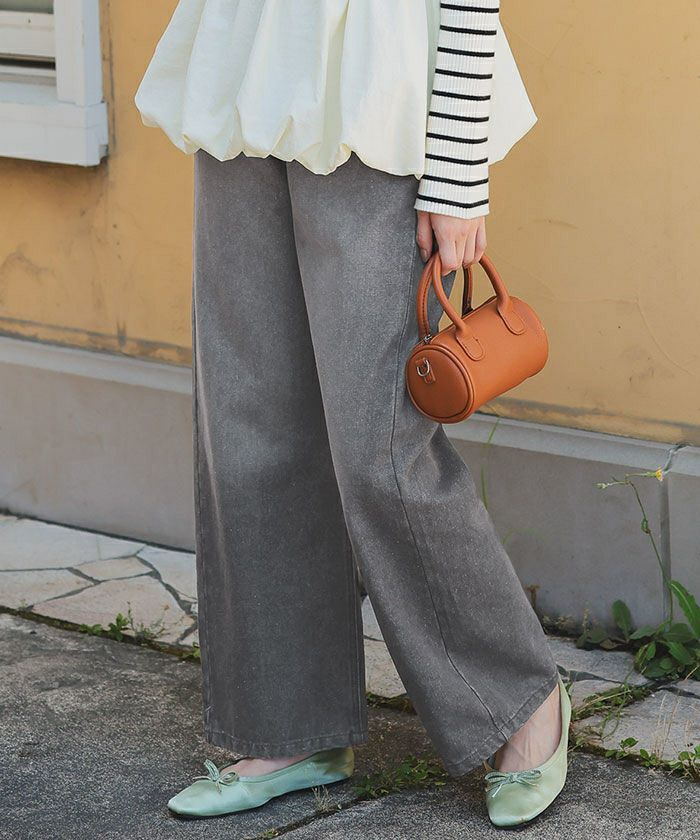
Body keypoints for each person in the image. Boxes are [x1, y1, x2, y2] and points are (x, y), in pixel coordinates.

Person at [134, 0, 570, 827]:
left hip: (377, 84)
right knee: (250, 426)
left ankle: (518, 700)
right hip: (244, 67)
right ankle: (289, 730)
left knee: (382, 448)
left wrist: (458, 174)